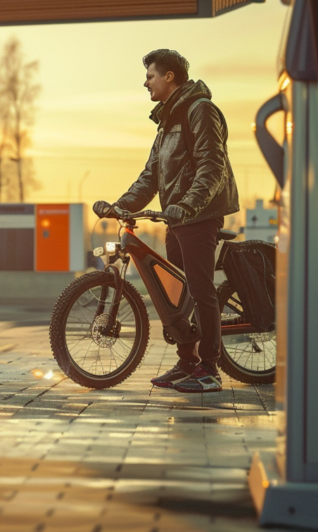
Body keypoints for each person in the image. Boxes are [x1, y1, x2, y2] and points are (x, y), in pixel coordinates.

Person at [93, 49, 239, 393]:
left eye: (150, 76)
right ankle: (187, 362)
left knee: (201, 290)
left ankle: (209, 369)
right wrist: (120, 205)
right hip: (176, 218)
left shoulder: (199, 110)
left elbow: (211, 166)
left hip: (199, 216)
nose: (146, 82)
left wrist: (188, 206)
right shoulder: (166, 121)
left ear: (169, 76)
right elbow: (151, 176)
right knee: (179, 293)